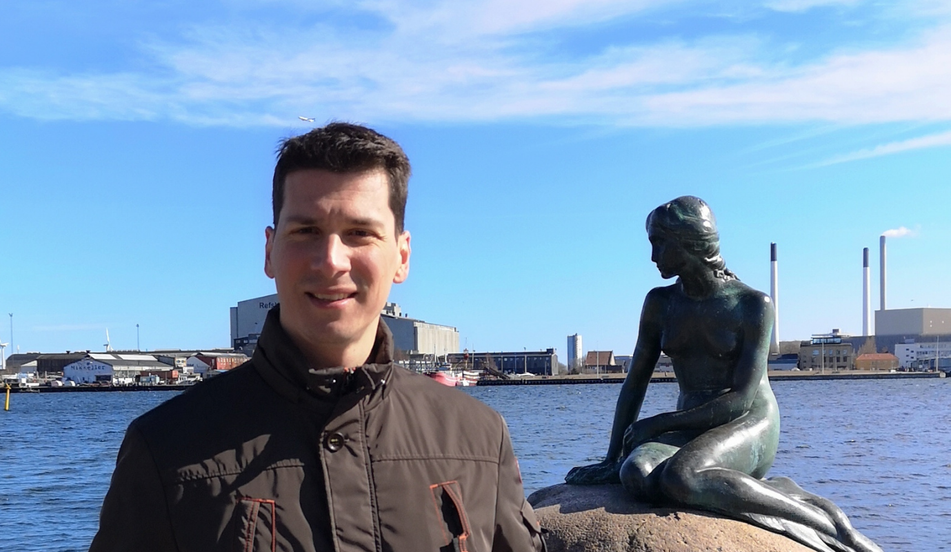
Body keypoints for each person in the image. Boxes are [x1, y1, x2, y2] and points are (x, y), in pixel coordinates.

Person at [90, 122, 544, 552]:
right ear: (270, 251)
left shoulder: (480, 439)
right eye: (306, 231)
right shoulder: (166, 449)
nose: (330, 261)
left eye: (359, 233)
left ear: (401, 256)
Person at [565, 196, 881, 552]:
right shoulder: (660, 303)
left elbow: (741, 399)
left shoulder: (752, 305)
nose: (653, 257)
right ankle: (751, 489)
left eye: (660, 243)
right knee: (635, 474)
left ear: (690, 243)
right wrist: (612, 459)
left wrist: (657, 425)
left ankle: (829, 525)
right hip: (689, 426)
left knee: (682, 477)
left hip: (748, 421)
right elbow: (635, 380)